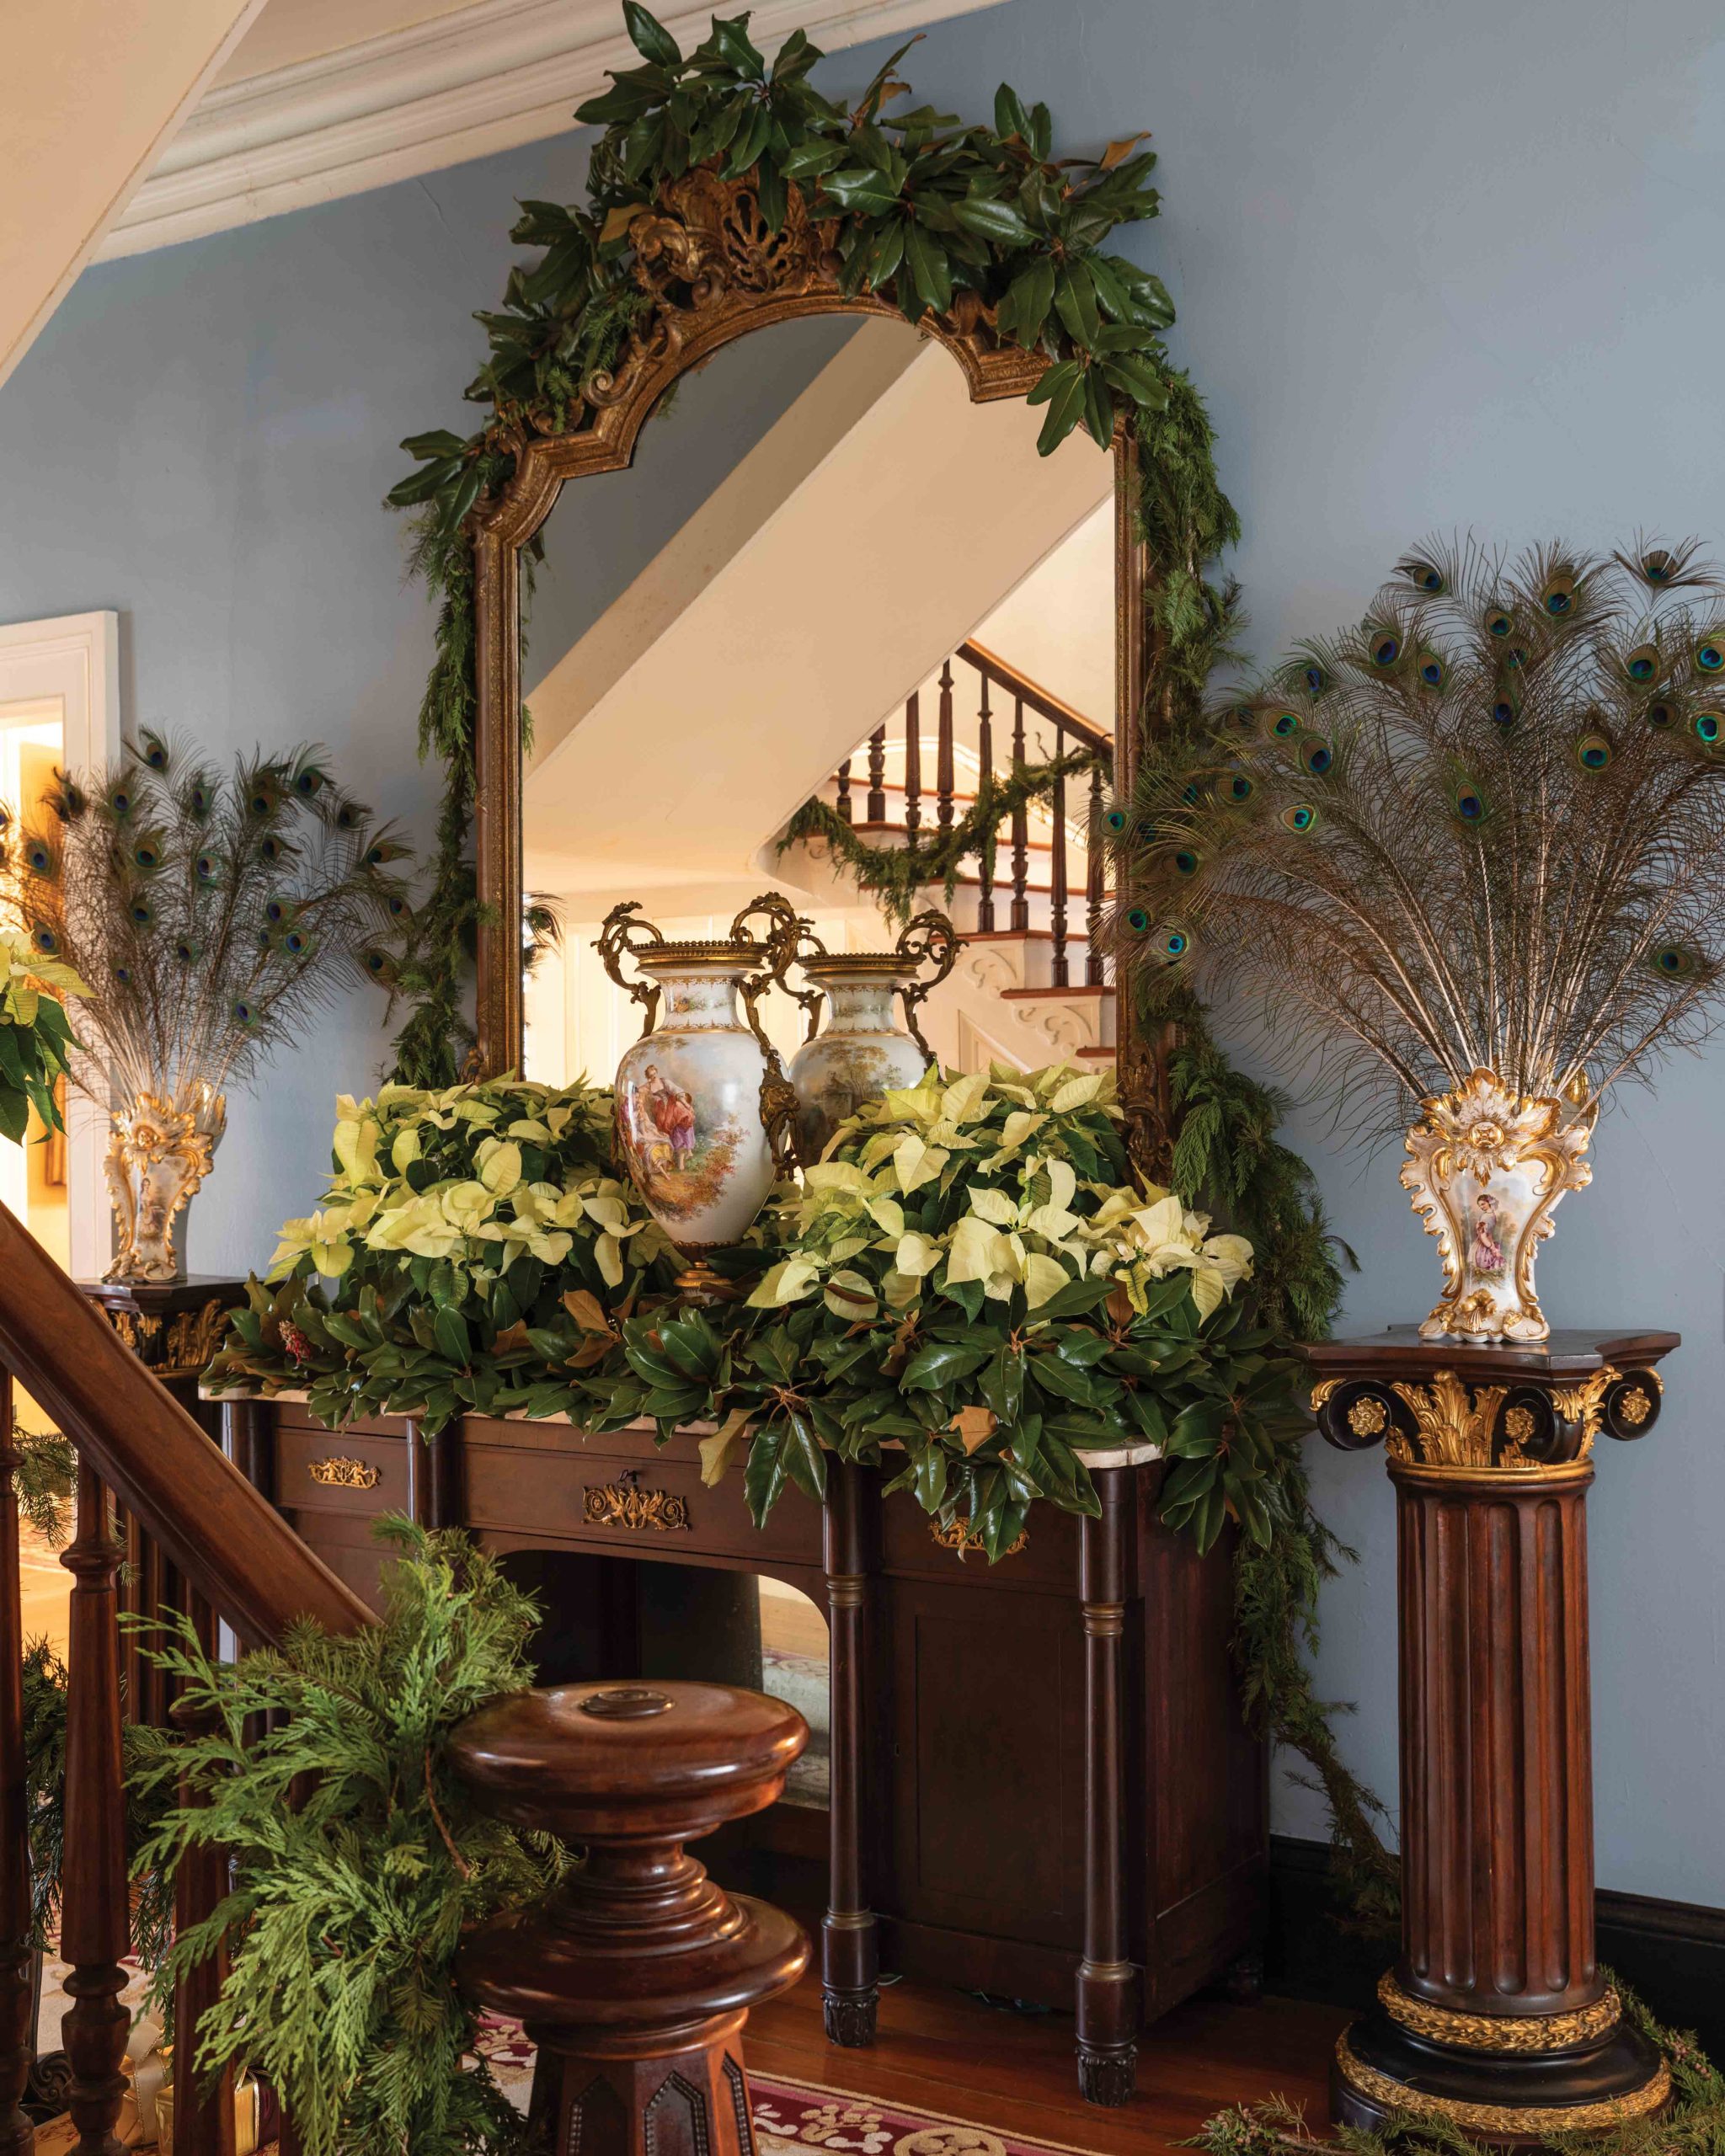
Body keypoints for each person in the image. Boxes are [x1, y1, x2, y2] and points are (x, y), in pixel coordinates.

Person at [644, 1063, 696, 1168]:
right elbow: (642, 1093)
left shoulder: (664, 1081)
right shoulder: (648, 1086)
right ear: (648, 1077)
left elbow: (676, 1092)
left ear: (656, 1072)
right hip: (661, 1108)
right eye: (650, 1076)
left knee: (684, 1120)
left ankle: (688, 1149)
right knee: (665, 1128)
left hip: (672, 1104)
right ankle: (671, 1157)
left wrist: (686, 1104)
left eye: (654, 1074)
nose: (653, 1077)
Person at [1470, 1188, 1504, 1277]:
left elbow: (1484, 1234)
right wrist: (1491, 1246)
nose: (1482, 1207)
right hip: (1484, 1242)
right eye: (1480, 1206)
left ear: (1489, 1202)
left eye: (1483, 1204)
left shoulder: (1487, 1216)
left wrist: (1491, 1246)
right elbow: (1482, 1235)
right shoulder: (1490, 1215)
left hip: (1486, 1241)